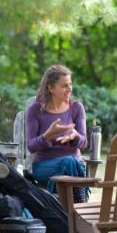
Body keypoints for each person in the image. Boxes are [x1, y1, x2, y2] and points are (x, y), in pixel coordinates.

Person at [26, 64, 88, 203]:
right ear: (50, 87)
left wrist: (75, 136)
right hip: (44, 166)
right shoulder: (35, 110)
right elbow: (31, 146)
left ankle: (60, 207)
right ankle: (79, 206)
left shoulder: (76, 108)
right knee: (70, 161)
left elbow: (84, 143)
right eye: (64, 85)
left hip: (73, 165)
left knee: (71, 162)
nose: (70, 89)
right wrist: (48, 134)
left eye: (70, 84)